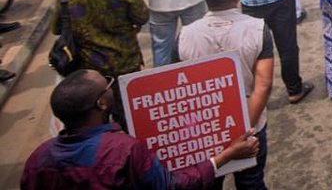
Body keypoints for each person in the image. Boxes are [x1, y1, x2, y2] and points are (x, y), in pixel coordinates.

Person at [20, 69, 258, 189]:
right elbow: (170, 185)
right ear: (101, 104)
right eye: (107, 86)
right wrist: (225, 156)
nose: (110, 87)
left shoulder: (37, 159)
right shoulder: (122, 151)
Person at [178, 0, 274, 189]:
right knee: (251, 183)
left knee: (208, 181)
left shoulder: (185, 36)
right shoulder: (257, 29)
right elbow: (263, 85)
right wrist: (244, 132)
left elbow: (180, 89)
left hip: (205, 132)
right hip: (251, 124)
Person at [56, 0, 147, 131]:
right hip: (126, 64)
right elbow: (141, 17)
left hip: (92, 70)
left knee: (97, 118)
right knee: (130, 117)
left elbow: (58, 28)